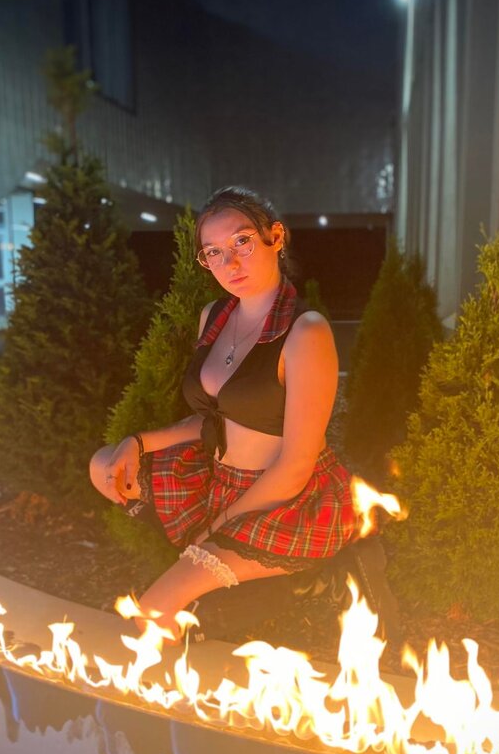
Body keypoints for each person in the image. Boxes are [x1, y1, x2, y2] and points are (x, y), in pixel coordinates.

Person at [89, 185, 362, 639]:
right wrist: (136, 442)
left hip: (286, 500)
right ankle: (231, 583)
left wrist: (213, 531)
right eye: (213, 252)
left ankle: (309, 577)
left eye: (242, 242)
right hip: (220, 481)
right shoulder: (214, 316)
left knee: (152, 612)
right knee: (105, 466)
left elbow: (296, 466)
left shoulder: (306, 332)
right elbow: (216, 417)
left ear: (276, 237)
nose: (230, 263)